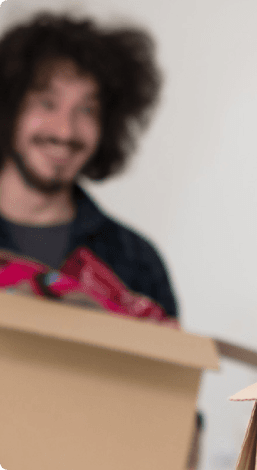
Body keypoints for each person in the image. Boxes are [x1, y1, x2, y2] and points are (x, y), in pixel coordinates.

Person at [0, 12, 177, 320]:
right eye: (47, 103)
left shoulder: (137, 263)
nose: (65, 131)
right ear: (9, 109)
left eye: (87, 110)